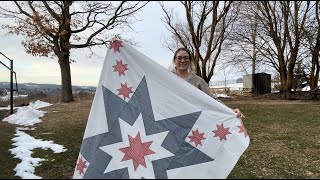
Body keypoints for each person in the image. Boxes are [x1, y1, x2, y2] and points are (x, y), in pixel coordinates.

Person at [170, 47, 245, 120]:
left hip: (190, 120)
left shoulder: (198, 81)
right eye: (179, 58)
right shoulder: (167, 78)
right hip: (170, 118)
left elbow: (212, 99)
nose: (183, 60)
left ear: (190, 61)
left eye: (186, 58)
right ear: (174, 60)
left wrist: (230, 110)